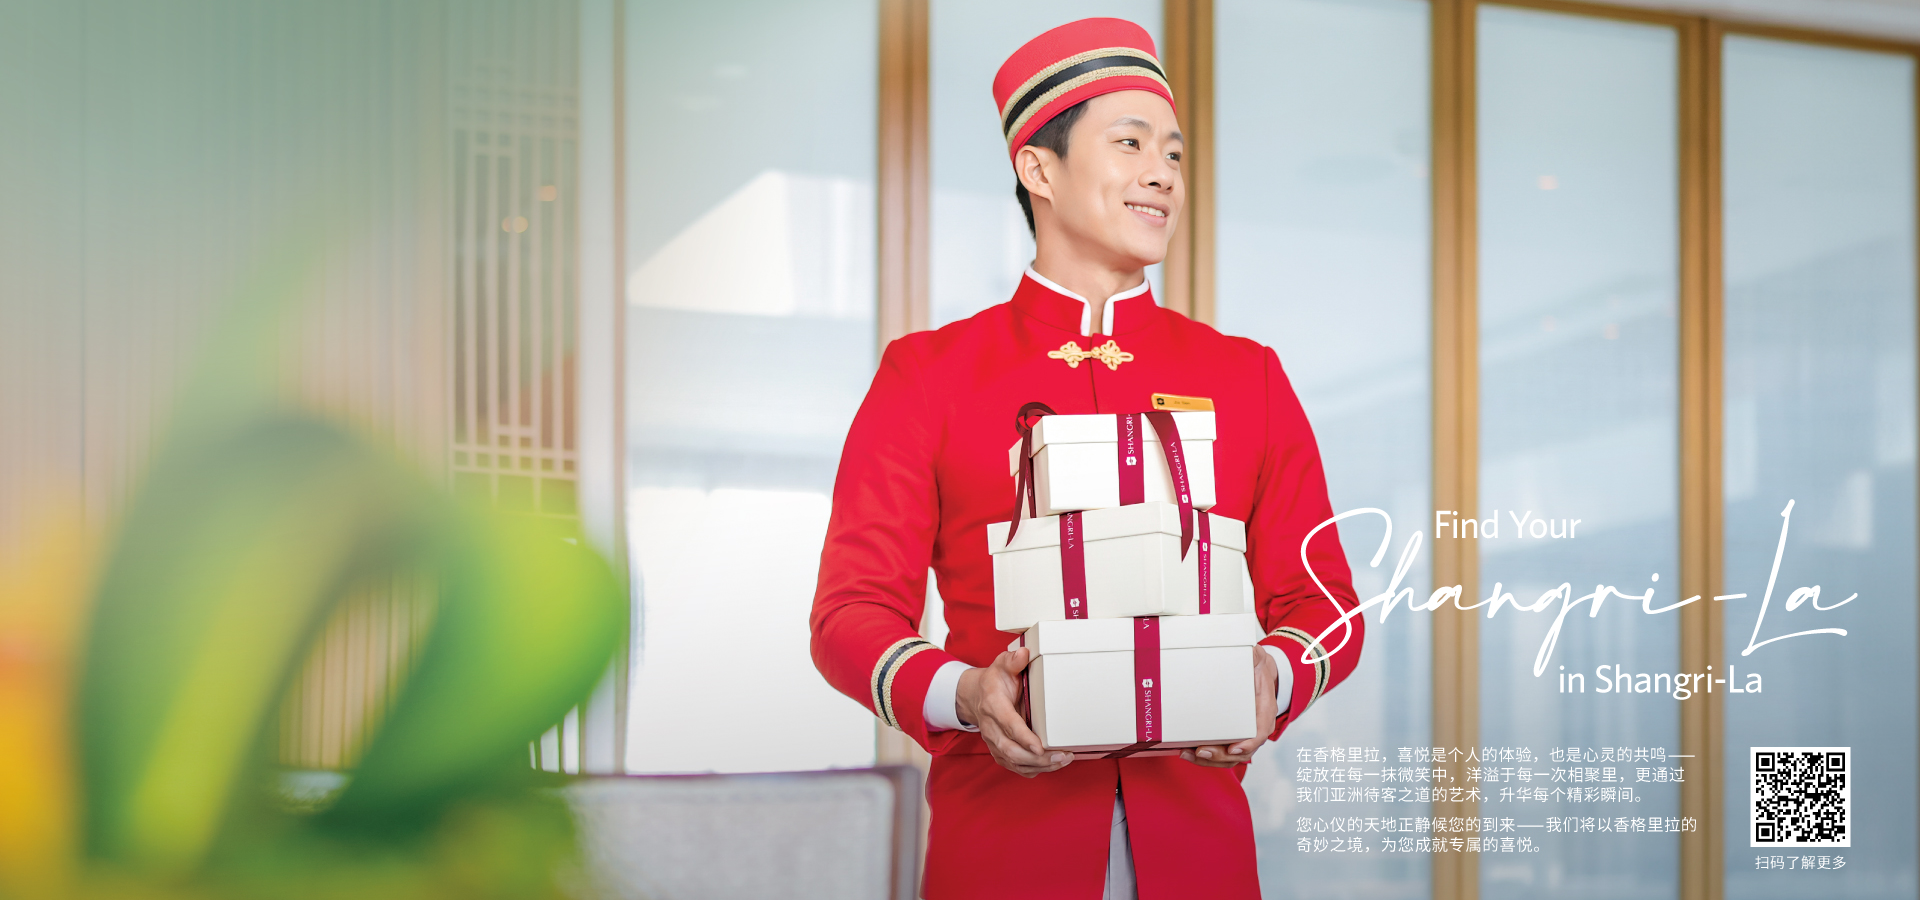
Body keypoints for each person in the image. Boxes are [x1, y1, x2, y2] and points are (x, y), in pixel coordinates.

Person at [810, 17, 1363, 899]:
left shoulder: (1247, 376)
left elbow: (1325, 602)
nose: (1163, 174)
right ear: (1039, 170)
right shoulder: (929, 375)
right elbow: (851, 613)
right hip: (1001, 848)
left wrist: (1274, 674)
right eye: (1130, 144)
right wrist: (965, 693)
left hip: (1202, 852)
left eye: (1173, 154)